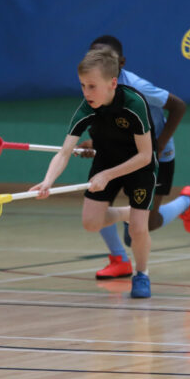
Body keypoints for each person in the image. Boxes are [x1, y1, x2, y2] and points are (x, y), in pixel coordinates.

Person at [31, 47, 157, 298]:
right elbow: (64, 152)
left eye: (92, 86)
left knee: (138, 230)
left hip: (138, 166)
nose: (86, 93)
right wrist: (47, 182)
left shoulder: (134, 104)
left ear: (112, 83)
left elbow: (144, 155)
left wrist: (108, 175)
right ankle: (127, 213)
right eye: (82, 86)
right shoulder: (86, 109)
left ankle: (141, 274)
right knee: (91, 223)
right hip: (105, 162)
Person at [85, 36, 190, 281]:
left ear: (121, 63)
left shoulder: (138, 88)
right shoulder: (93, 85)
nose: (99, 63)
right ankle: (119, 259)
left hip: (154, 155)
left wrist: (159, 143)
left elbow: (179, 106)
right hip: (120, 153)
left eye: (106, 59)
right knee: (98, 202)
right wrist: (95, 144)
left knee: (145, 225)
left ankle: (185, 202)